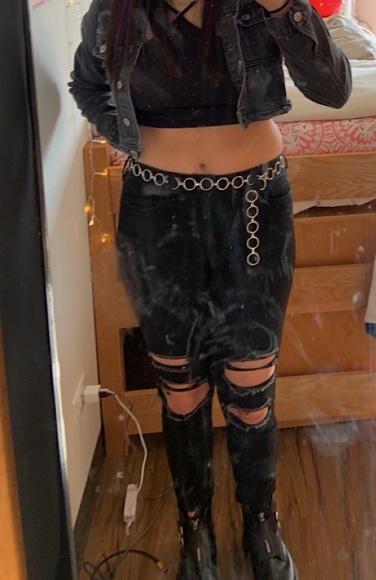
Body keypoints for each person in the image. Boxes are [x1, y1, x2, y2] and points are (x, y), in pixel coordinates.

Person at [69, 0, 351, 576]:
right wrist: (129, 137)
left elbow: (334, 90)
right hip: (154, 211)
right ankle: (193, 525)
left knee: (252, 388)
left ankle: (261, 519)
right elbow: (86, 83)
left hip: (255, 205)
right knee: (181, 390)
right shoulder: (117, 9)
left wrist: (283, 8)